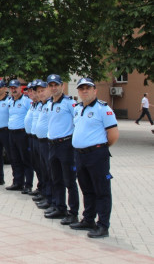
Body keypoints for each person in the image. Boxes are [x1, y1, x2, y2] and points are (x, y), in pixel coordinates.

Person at [71, 77, 119, 238]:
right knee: (87, 189)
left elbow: (113, 135)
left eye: (88, 88)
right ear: (78, 91)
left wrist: (98, 148)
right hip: (80, 155)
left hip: (96, 155)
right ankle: (88, 219)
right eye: (81, 88)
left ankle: (103, 225)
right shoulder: (77, 108)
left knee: (102, 191)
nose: (84, 91)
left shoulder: (103, 109)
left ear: (95, 90)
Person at [45, 74, 80, 225]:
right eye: (51, 85)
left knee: (69, 181)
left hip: (66, 145)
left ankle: (73, 213)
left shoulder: (69, 104)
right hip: (52, 145)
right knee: (56, 178)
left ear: (62, 86)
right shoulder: (48, 103)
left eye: (56, 85)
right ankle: (60, 207)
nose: (54, 88)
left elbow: (78, 121)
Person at [6, 79, 33, 193]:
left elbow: (31, 116)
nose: (13, 90)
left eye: (15, 88)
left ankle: (28, 185)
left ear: (20, 88)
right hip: (12, 133)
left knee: (25, 160)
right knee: (15, 159)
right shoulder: (10, 101)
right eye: (11, 88)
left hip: (22, 134)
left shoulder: (26, 101)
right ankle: (17, 182)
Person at [32, 80, 54, 210]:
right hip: (40, 141)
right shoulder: (42, 104)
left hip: (48, 142)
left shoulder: (52, 104)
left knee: (50, 172)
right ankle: (46, 195)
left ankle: (52, 199)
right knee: (43, 170)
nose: (40, 93)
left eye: (42, 90)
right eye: (38, 91)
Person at [25, 82, 44, 197]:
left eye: (33, 91)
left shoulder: (43, 104)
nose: (31, 93)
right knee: (36, 165)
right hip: (32, 138)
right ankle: (41, 187)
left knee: (43, 167)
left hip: (41, 140)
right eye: (30, 91)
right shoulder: (34, 105)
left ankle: (45, 191)